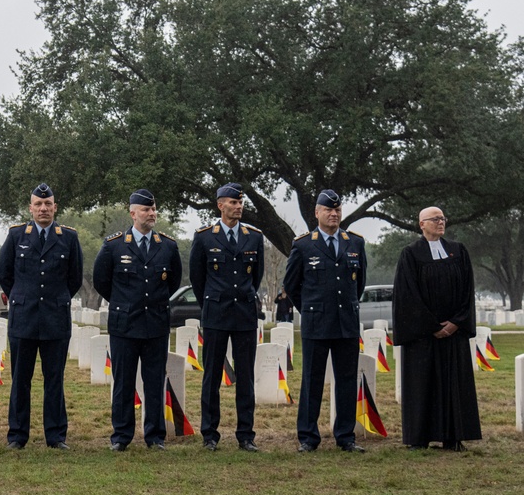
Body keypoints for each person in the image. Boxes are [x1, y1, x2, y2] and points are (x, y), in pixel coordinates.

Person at [93, 189, 182, 451]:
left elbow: (173, 282)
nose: (151, 214)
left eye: (154, 209)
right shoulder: (114, 245)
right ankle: (121, 436)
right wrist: (124, 303)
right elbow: (102, 281)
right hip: (125, 325)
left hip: (155, 324)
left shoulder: (167, 246)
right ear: (133, 213)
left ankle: (155, 436)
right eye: (146, 209)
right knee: (123, 382)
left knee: (155, 381)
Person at [0, 183, 83, 450]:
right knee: (20, 379)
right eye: (38, 204)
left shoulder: (68, 237)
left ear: (55, 207)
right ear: (30, 208)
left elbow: (74, 278)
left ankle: (56, 436)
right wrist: (22, 297)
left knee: (54, 379)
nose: (43, 208)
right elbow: (5, 274)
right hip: (24, 318)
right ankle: (17, 435)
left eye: (48, 204)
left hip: (55, 319)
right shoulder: (16, 236)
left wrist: (55, 299)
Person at [284, 189, 367, 453]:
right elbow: (291, 285)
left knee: (345, 381)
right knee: (312, 381)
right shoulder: (304, 244)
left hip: (346, 324)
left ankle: (346, 436)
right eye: (328, 210)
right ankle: (308, 437)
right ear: (317, 213)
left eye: (337, 210)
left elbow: (359, 283)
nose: (334, 214)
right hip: (316, 324)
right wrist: (310, 309)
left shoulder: (354, 242)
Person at [392, 207, 481, 451]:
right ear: (422, 224)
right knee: (423, 386)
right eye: (435, 219)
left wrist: (456, 322)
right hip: (423, 337)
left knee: (453, 385)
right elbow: (407, 295)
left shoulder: (458, 251)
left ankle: (453, 437)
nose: (440, 222)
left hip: (454, 333)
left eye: (443, 218)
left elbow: (467, 291)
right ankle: (418, 438)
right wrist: (431, 326)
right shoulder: (410, 254)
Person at [188, 183, 265, 452]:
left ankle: (246, 434)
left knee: (245, 376)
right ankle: (210, 434)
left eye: (240, 202)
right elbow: (197, 279)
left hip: (244, 314)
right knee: (212, 377)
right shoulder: (205, 237)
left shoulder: (254, 237)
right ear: (220, 205)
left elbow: (256, 276)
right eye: (233, 202)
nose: (238, 206)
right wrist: (212, 301)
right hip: (216, 314)